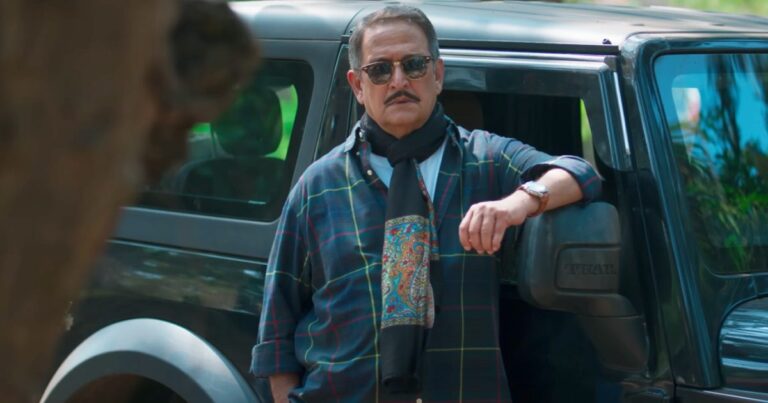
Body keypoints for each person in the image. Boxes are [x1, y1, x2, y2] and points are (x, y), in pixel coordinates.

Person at [251, 4, 600, 402]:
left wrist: (517, 204)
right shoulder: (318, 186)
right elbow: (276, 329)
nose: (399, 80)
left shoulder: (484, 159)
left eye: (414, 65)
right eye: (380, 70)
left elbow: (578, 174)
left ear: (437, 75)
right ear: (358, 86)